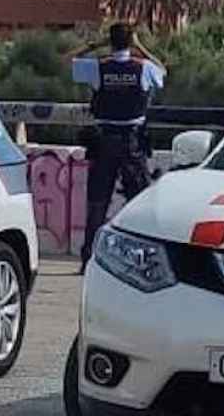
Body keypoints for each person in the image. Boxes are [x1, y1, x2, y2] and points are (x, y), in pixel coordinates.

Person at [70, 22, 167, 266]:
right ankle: (143, 261)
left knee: (97, 203)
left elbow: (69, 61)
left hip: (103, 141)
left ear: (110, 42)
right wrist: (140, 47)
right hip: (132, 142)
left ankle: (88, 259)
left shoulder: (98, 68)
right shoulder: (143, 67)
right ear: (130, 41)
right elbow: (163, 71)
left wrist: (96, 46)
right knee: (139, 203)